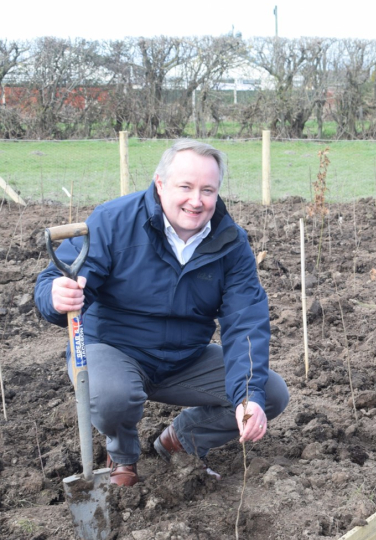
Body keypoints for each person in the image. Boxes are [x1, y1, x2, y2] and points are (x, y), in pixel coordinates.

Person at [35, 139, 289, 487]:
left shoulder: (230, 242)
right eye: (185, 186)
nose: (196, 201)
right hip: (112, 349)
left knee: (268, 394)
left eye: (208, 190)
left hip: (184, 359)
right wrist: (54, 295)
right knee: (113, 395)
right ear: (160, 184)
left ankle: (182, 440)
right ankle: (122, 456)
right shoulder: (114, 221)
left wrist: (247, 398)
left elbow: (245, 321)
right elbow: (57, 278)